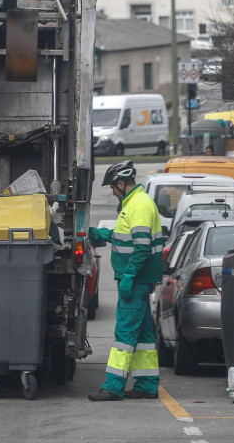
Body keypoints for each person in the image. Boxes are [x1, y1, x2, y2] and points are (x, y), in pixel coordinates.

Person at [87, 161, 164, 401]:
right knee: (144, 337)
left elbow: (141, 247)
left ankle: (113, 386)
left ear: (121, 183)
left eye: (112, 187)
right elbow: (128, 237)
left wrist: (129, 276)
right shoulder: (135, 203)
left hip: (136, 280)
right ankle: (148, 384)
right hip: (140, 280)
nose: (111, 191)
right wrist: (102, 235)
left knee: (125, 334)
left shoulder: (138, 205)